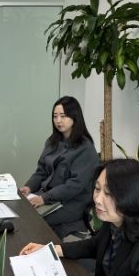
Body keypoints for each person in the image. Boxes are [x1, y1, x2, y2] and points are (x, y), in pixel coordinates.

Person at [19, 96, 99, 240]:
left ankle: (44, 250)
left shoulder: (85, 148)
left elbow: (74, 186)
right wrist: (29, 187)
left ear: (75, 117)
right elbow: (42, 171)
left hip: (72, 202)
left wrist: (44, 198)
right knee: (21, 211)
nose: (58, 120)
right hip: (49, 196)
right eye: (55, 116)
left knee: (35, 222)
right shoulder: (52, 141)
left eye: (63, 116)